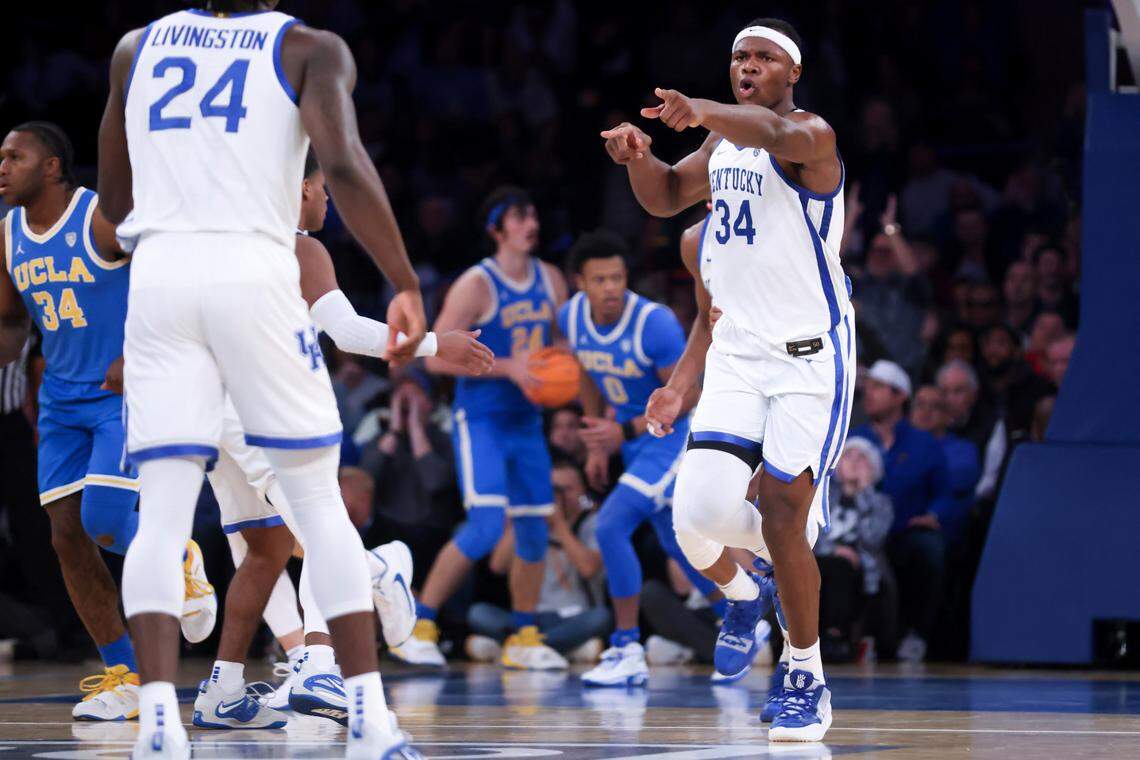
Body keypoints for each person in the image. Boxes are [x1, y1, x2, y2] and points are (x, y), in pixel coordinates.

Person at [98, 3, 430, 756]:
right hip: (253, 267)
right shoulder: (307, 46)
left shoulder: (134, 46)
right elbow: (340, 162)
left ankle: (158, 727)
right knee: (316, 503)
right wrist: (402, 276)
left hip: (160, 278)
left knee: (163, 516)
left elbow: (115, 206)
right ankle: (372, 722)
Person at [603, 18, 852, 740]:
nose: (748, 66)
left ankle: (805, 672)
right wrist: (638, 156)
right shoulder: (717, 144)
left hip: (811, 358)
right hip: (741, 353)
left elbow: (768, 137)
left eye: (764, 58)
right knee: (699, 514)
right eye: (740, 57)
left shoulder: (812, 136)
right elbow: (666, 195)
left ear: (791, 73)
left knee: (777, 509)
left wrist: (703, 109)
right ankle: (766, 579)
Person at [192, 151, 492, 729]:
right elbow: (351, 332)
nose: (326, 200)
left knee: (258, 550)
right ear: (298, 188)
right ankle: (371, 586)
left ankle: (225, 688)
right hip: (262, 408)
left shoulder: (220, 238)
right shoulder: (299, 246)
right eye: (321, 189)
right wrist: (436, 344)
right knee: (323, 526)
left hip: (210, 409)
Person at [0, 122, 216, 722]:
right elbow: (12, 321)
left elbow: (169, 272)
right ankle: (124, 673)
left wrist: (137, 347)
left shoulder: (98, 220)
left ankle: (180, 557)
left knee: (102, 519)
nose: (3, 166)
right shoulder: (6, 236)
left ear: (52, 168)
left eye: (15, 156)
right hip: (61, 402)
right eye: (1, 157)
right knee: (65, 537)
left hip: (122, 391)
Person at [401, 186, 569, 670]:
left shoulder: (552, 279)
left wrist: (561, 379)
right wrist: (508, 367)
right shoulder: (477, 284)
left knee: (535, 528)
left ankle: (524, 636)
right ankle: (420, 624)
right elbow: (433, 360)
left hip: (527, 422)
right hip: (482, 420)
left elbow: (559, 347)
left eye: (532, 212)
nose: (529, 222)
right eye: (518, 216)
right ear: (497, 228)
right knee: (485, 527)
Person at [557, 229, 720, 687]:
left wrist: (622, 430)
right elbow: (587, 374)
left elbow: (690, 394)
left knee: (610, 526)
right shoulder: (570, 318)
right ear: (580, 284)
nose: (611, 288)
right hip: (628, 440)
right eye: (600, 280)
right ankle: (740, 618)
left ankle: (626, 646)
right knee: (675, 541)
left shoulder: (656, 323)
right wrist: (595, 439)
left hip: (671, 436)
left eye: (618, 277)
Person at [849, 360, 954, 663]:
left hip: (904, 530)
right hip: (860, 531)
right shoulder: (855, 438)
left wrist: (934, 515)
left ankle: (916, 634)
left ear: (900, 396)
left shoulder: (924, 443)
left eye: (878, 388)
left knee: (929, 548)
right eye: (867, 387)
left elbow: (944, 493)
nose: (869, 394)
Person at [466, 455, 611, 661]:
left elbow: (589, 568)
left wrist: (559, 525)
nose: (558, 496)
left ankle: (515, 648)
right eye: (552, 489)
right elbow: (497, 565)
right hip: (529, 619)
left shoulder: (593, 523)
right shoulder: (528, 523)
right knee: (478, 613)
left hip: (575, 616)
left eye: (567, 489)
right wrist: (527, 510)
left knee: (601, 618)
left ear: (582, 492)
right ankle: (563, 649)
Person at [813, 438, 893, 662]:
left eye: (862, 458)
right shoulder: (822, 497)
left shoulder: (881, 502)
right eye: (848, 456)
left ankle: (836, 637)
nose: (855, 463)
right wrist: (834, 550)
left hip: (861, 570)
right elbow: (811, 535)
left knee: (841, 568)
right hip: (821, 560)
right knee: (829, 565)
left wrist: (864, 492)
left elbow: (873, 539)